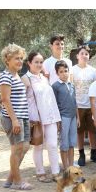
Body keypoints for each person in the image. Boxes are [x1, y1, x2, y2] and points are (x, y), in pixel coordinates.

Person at [21, 52, 61, 182]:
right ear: (29, 63)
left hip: (51, 117)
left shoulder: (44, 78)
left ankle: (56, 172)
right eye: (36, 62)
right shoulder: (25, 78)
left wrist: (57, 117)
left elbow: (51, 99)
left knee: (53, 145)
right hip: (36, 119)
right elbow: (21, 100)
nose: (39, 64)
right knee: (38, 145)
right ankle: (40, 172)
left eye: (41, 62)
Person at [0, 43, 32, 190]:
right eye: (16, 58)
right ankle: (17, 182)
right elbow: (5, 100)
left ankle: (10, 179)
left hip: (22, 117)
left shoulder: (16, 75)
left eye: (21, 58)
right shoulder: (5, 76)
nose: (20, 61)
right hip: (13, 119)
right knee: (17, 149)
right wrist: (14, 120)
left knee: (24, 147)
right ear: (7, 59)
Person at [72, 45, 96, 166]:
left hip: (91, 105)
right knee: (80, 131)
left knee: (93, 130)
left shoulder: (93, 71)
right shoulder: (72, 70)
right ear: (77, 56)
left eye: (86, 54)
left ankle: (94, 153)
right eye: (82, 53)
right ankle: (81, 154)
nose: (84, 56)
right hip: (78, 106)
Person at [52, 60, 79, 170]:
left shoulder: (71, 84)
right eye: (61, 72)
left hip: (73, 117)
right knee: (64, 143)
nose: (64, 73)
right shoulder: (55, 86)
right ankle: (66, 166)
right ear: (57, 73)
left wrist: (78, 117)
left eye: (66, 71)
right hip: (63, 117)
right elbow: (54, 105)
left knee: (72, 142)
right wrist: (58, 120)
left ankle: (71, 165)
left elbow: (75, 101)